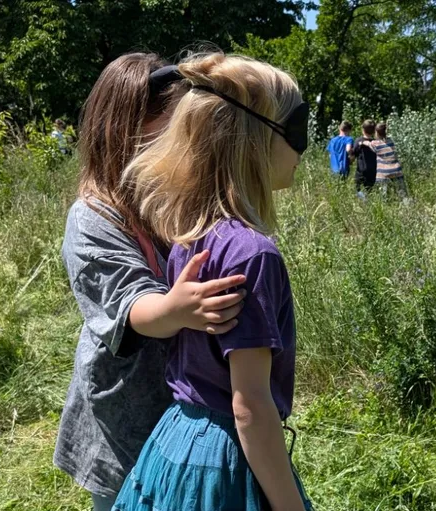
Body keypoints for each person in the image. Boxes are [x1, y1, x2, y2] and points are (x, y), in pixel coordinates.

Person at [113, 53, 312, 511]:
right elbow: (250, 406)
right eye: (296, 130)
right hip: (224, 459)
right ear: (258, 139)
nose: (302, 149)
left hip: (176, 437)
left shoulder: (191, 237)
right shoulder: (253, 254)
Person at [54, 53, 247, 511]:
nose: (182, 137)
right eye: (169, 123)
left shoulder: (173, 200)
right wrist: (176, 309)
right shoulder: (92, 218)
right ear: (121, 129)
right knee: (125, 499)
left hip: (181, 410)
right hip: (122, 412)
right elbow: (132, 308)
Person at [369, 122, 409, 200]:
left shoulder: (375, 143)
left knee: (383, 195)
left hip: (384, 172)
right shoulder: (390, 141)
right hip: (397, 170)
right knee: (402, 193)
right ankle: (406, 206)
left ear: (376, 132)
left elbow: (370, 146)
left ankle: (386, 206)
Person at [351, 119, 378, 198]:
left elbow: (354, 154)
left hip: (361, 171)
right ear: (373, 131)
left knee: (358, 189)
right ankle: (369, 202)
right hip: (373, 171)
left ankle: (363, 201)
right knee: (370, 190)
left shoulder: (358, 141)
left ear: (363, 129)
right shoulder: (375, 142)